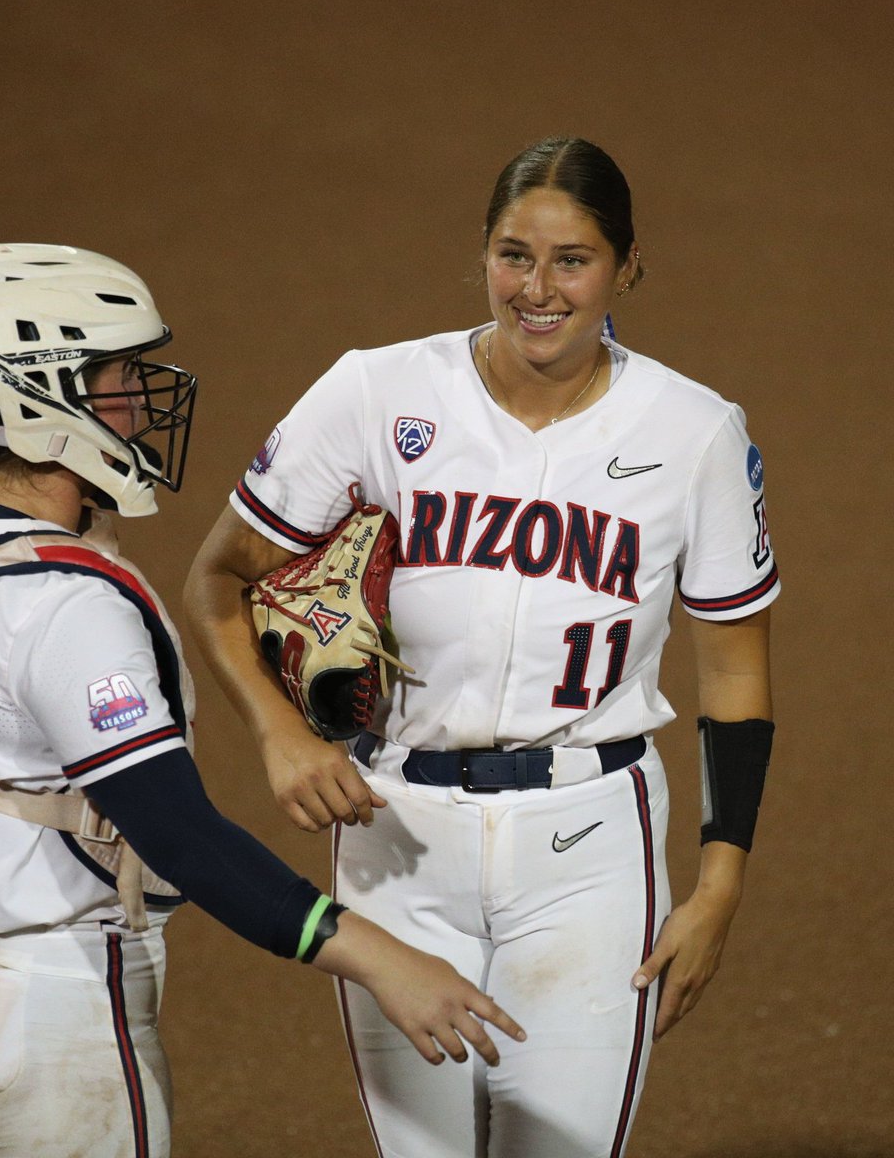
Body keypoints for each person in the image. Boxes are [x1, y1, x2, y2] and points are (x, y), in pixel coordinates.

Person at [0, 243, 527, 1158]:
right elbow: (180, 833)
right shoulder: (64, 608)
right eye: (119, 374)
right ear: (43, 398)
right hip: (39, 1017)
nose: (143, 396)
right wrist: (382, 960)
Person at [183, 137, 777, 1158]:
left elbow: (732, 669)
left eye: (572, 260)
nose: (537, 290)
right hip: (397, 837)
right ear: (483, 256)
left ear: (627, 268)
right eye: (514, 256)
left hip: (592, 849)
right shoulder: (377, 394)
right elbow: (217, 578)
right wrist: (280, 733)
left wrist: (721, 881)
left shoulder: (695, 434)